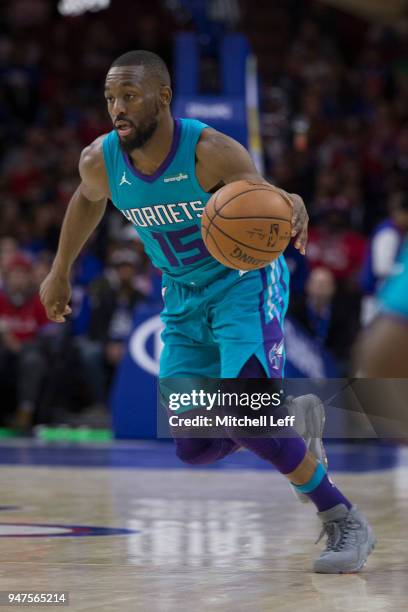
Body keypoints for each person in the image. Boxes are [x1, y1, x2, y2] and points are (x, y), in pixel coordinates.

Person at [40, 50, 375, 573]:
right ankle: (290, 420)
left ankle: (342, 519)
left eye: (129, 96)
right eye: (110, 98)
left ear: (163, 97)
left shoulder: (209, 151)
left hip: (243, 285)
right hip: (181, 299)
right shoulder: (99, 160)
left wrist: (288, 199)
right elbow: (87, 200)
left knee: (246, 413)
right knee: (194, 447)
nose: (117, 108)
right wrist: (60, 269)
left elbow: (261, 199)